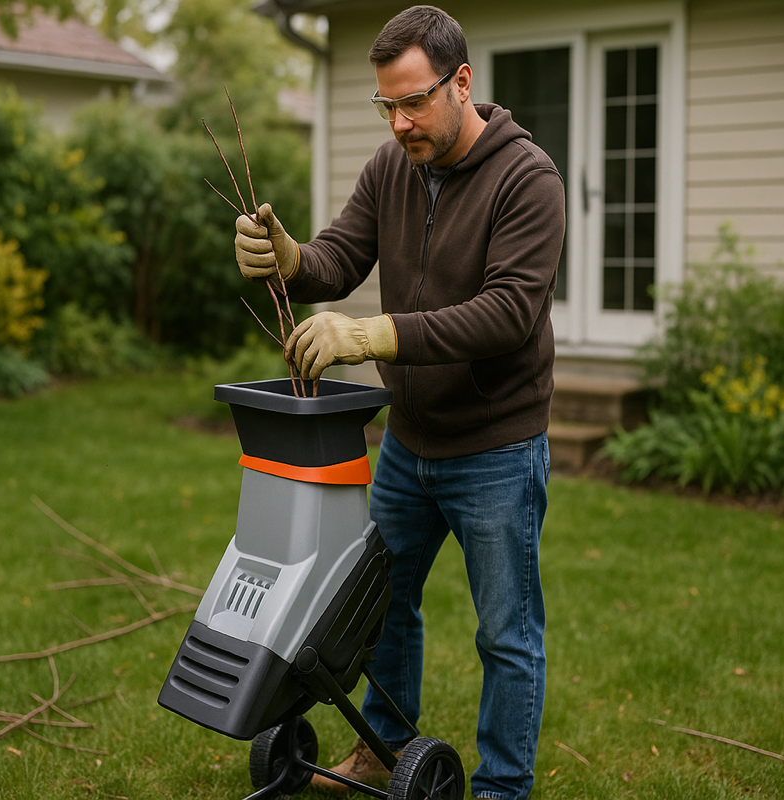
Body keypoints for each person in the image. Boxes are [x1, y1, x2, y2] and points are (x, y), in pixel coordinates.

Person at [233, 6, 565, 799]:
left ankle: (503, 787)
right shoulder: (394, 167)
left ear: (462, 82)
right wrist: (286, 257)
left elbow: (507, 312)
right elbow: (339, 256)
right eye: (386, 106)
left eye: (413, 102)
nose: (401, 123)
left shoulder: (529, 179)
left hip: (497, 449)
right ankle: (381, 752)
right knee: (379, 610)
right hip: (410, 446)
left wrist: (370, 337)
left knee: (507, 634)